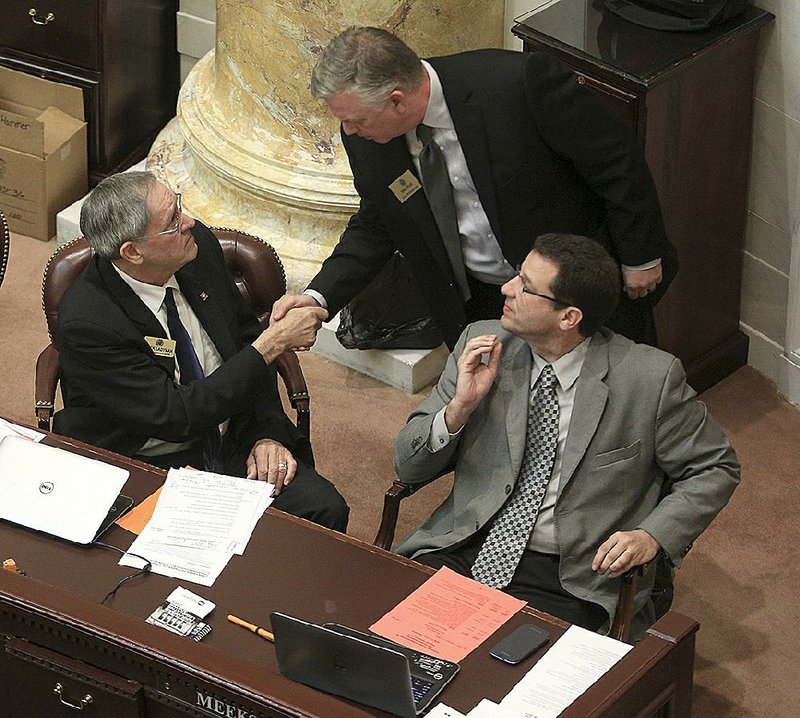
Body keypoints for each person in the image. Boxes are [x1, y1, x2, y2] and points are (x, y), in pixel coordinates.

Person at [393, 233, 738, 640]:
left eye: (524, 284)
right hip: (467, 542)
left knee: (516, 685)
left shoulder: (649, 379)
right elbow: (407, 465)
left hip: (568, 574)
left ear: (568, 317)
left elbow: (715, 467)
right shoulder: (481, 344)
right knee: (401, 650)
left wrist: (652, 535)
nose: (507, 288)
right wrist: (458, 409)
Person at [272, 26, 677, 349]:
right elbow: (376, 222)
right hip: (480, 303)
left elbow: (615, 162)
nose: (348, 131)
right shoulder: (368, 139)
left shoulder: (518, 85)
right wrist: (318, 296)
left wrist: (640, 255)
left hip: (572, 289)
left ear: (397, 101)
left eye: (355, 120)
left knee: (614, 411)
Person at [54, 172, 349, 532]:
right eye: (173, 222)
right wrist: (272, 342)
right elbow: (177, 415)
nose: (189, 222)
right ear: (133, 252)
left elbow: (243, 343)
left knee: (324, 510)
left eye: (179, 207)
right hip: (146, 462)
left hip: (232, 435)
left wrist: (266, 431)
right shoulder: (89, 321)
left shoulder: (198, 250)